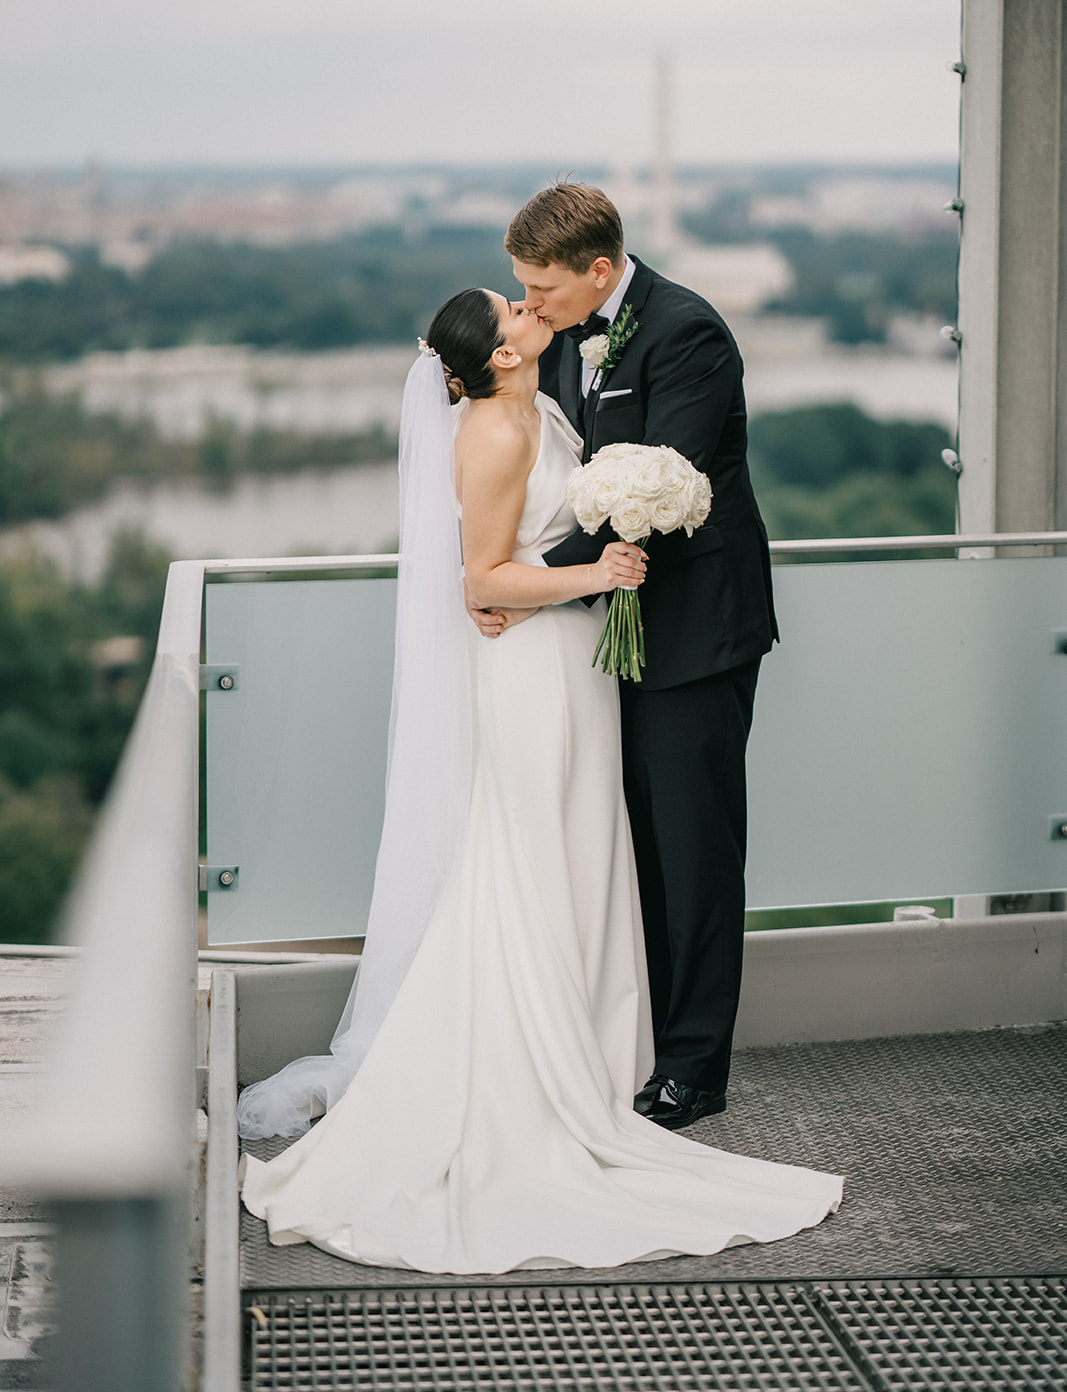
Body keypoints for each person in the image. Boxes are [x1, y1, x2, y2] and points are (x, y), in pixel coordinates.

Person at [237, 286, 840, 1274]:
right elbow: (481, 579)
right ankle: (535, 1071)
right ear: (498, 352)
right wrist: (595, 576)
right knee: (522, 859)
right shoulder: (490, 432)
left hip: (575, 670)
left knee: (577, 852)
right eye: (509, 308)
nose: (525, 305)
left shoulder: (540, 405)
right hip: (530, 671)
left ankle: (597, 1062)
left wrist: (601, 555)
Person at [478, 182, 777, 1132]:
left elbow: (662, 494)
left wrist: (517, 586)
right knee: (623, 845)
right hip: (604, 636)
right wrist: (524, 583)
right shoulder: (561, 336)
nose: (529, 302)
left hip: (692, 633)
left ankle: (694, 1067)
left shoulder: (687, 334)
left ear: (599, 269)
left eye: (542, 286)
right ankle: (631, 1042)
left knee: (692, 854)